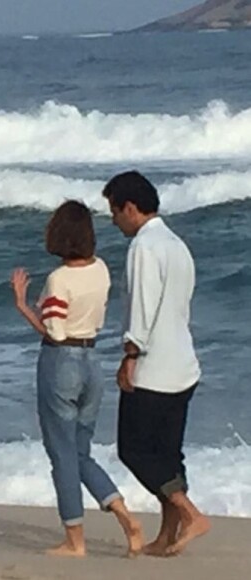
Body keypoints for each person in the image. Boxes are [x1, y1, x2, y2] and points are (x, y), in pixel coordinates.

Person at [11, 200, 143, 558]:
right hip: (92, 360)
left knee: (62, 455)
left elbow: (53, 330)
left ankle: (75, 539)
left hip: (61, 363)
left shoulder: (59, 278)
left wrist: (23, 305)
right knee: (80, 452)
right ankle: (125, 516)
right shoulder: (100, 269)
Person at [102, 171, 210, 556]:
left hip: (155, 367)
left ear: (130, 207)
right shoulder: (176, 243)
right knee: (167, 454)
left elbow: (142, 308)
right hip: (183, 363)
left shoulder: (144, 246)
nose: (114, 221)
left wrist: (130, 356)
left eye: (114, 212)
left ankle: (190, 513)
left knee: (134, 450)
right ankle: (167, 535)